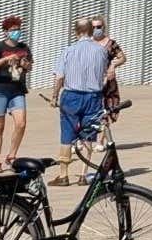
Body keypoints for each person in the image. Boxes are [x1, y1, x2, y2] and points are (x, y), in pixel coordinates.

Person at [48, 18, 114, 186]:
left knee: (67, 134)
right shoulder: (101, 51)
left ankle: (64, 174)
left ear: (76, 32)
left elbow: (60, 77)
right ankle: (83, 174)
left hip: (72, 95)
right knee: (89, 134)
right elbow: (105, 74)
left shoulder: (68, 51)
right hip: (93, 96)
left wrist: (55, 96)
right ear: (91, 32)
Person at [0, 16, 32, 173]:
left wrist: (25, 64)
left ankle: (12, 155)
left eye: (18, 30)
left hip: (17, 90)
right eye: (12, 30)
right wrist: (5, 60)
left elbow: (29, 65)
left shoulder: (24, 47)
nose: (16, 33)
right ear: (6, 32)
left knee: (21, 123)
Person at [95, 17, 127, 143]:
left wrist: (113, 65)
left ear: (103, 27)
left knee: (107, 109)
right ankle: (81, 141)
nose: (96, 30)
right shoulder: (88, 43)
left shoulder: (111, 43)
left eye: (99, 27)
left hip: (107, 81)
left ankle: (101, 141)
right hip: (92, 81)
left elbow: (122, 58)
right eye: (93, 27)